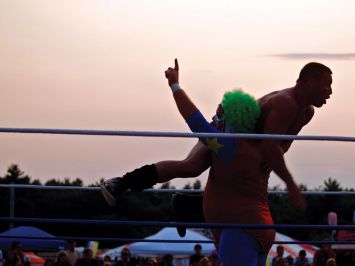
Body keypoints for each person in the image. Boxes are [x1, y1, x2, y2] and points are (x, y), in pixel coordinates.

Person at [103, 59, 332, 266]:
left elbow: (282, 142)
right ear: (310, 82)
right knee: (191, 166)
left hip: (240, 158)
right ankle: (123, 183)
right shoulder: (284, 103)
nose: (330, 92)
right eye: (326, 84)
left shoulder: (305, 112)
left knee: (228, 177)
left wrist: (272, 160)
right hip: (231, 137)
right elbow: (269, 144)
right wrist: (290, 183)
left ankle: (188, 204)